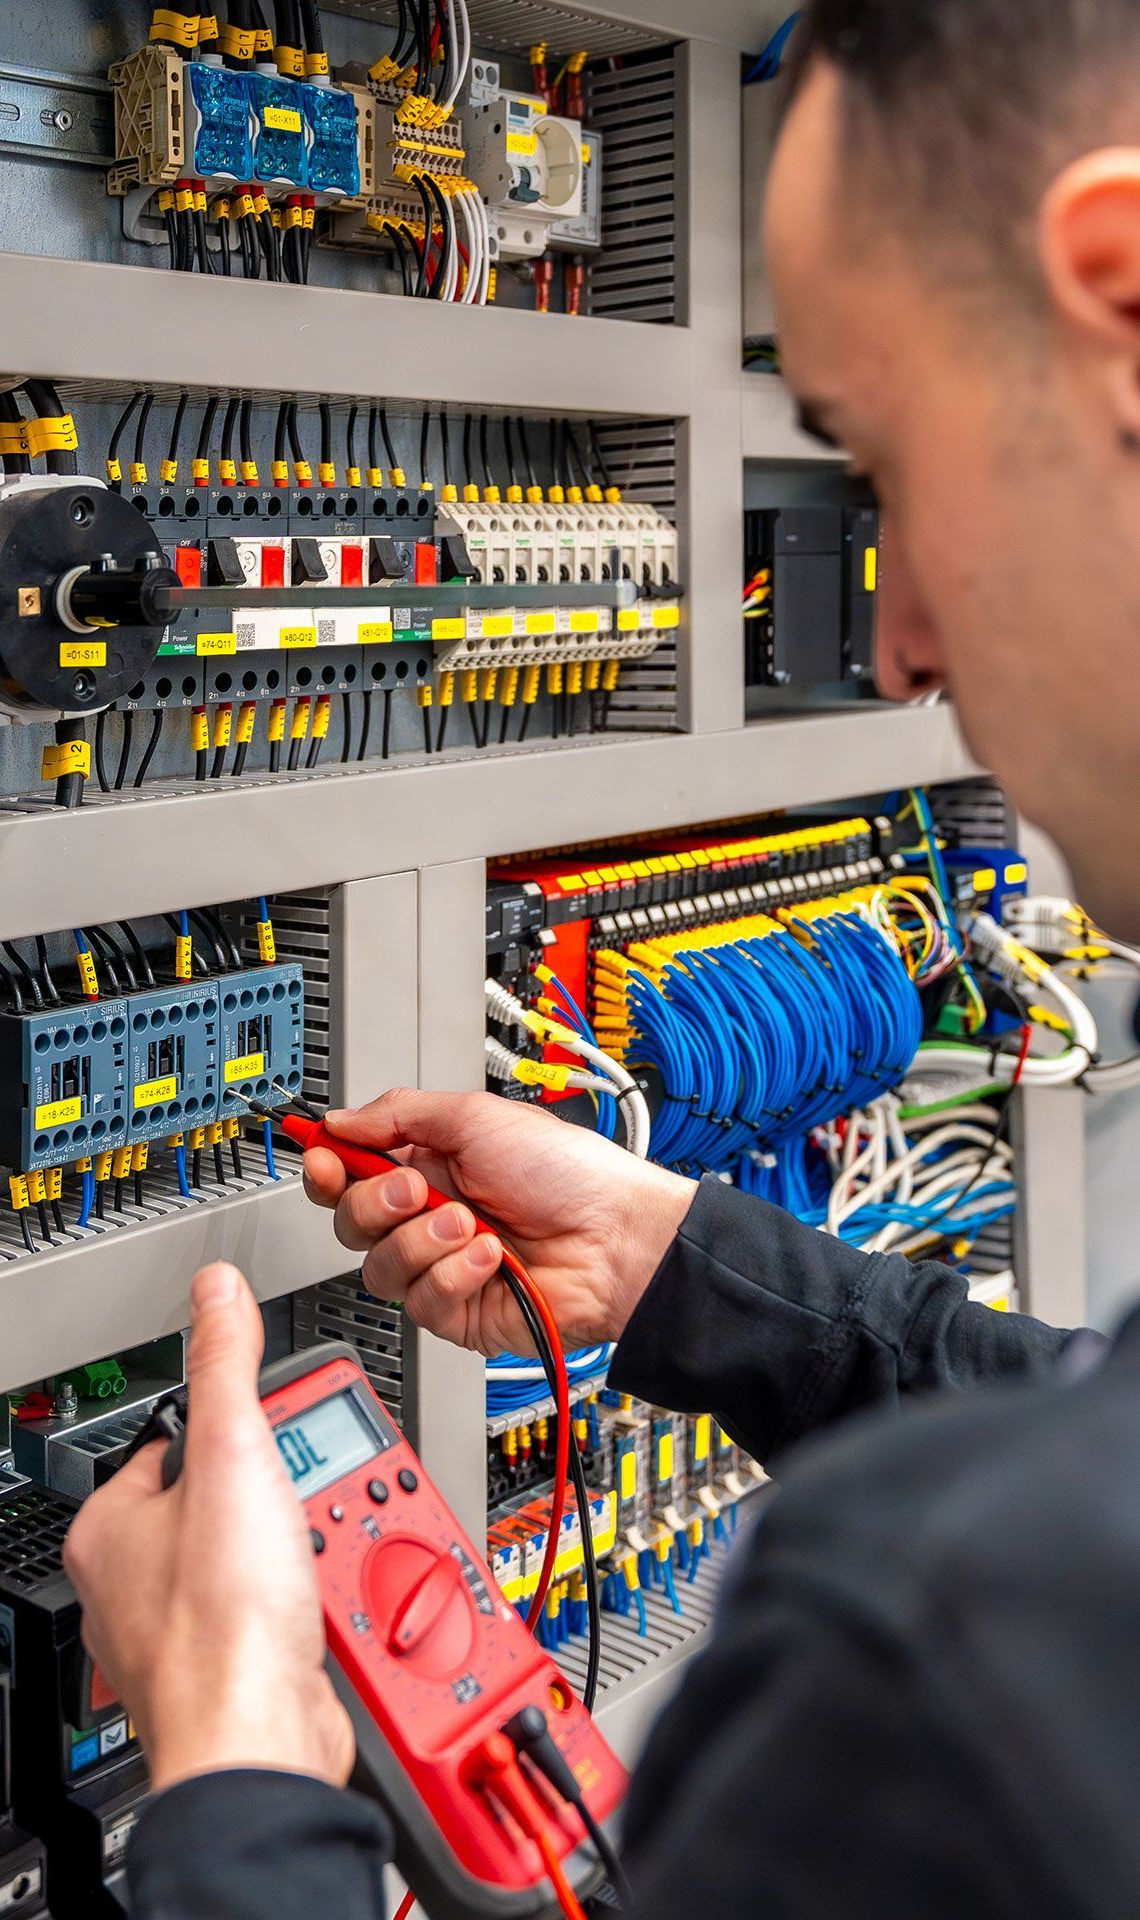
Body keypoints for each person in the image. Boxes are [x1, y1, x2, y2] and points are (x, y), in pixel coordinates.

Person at [65, 2, 1140, 1912]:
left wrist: (230, 1752)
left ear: (1117, 302)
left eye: (876, 460)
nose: (889, 645)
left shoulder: (935, 1645)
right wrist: (671, 1265)